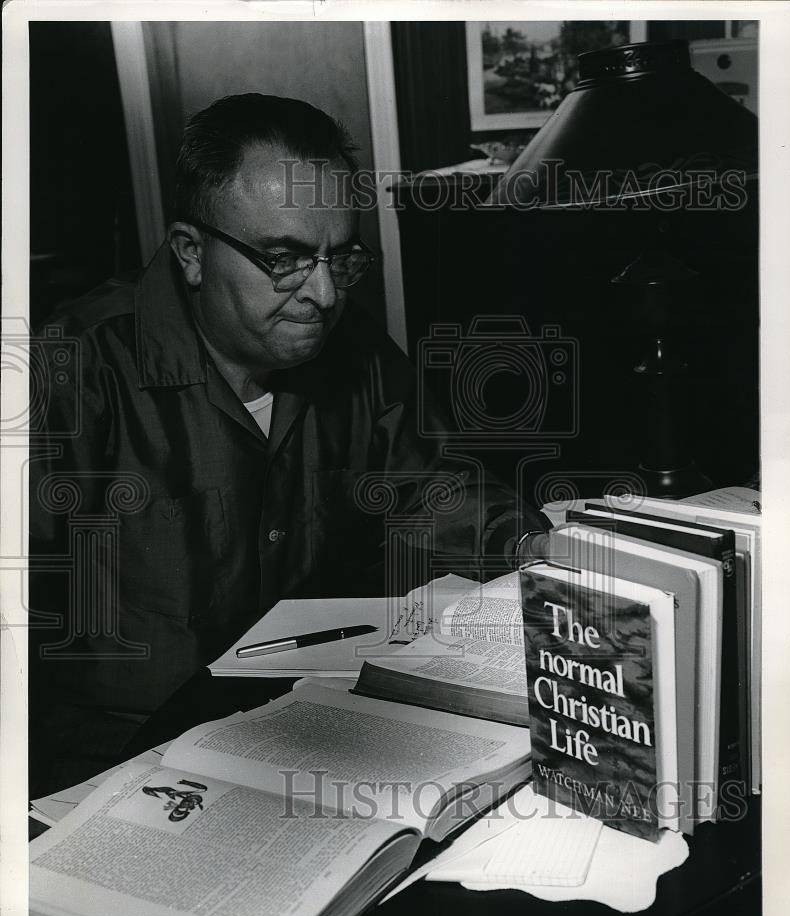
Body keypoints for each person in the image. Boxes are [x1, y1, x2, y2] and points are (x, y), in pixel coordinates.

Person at [28, 94, 541, 795]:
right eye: (285, 258)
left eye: (340, 257)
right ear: (190, 252)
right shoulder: (68, 372)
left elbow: (429, 489)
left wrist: (531, 547)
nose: (325, 294)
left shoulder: (350, 347)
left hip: (288, 726)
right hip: (105, 767)